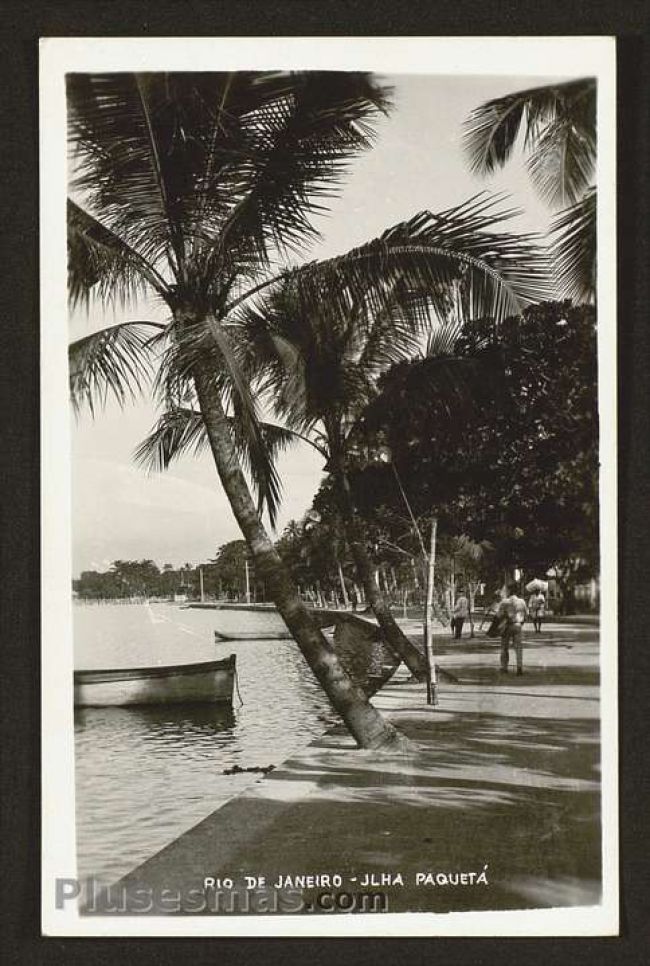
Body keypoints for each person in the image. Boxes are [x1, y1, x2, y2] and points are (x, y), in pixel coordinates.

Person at [496, 582, 528, 674]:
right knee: (518, 648)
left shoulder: (505, 602)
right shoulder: (522, 602)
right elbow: (526, 615)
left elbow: (499, 615)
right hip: (518, 625)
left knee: (504, 647)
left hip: (506, 626)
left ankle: (504, 667)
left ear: (509, 591)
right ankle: (519, 667)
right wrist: (521, 623)